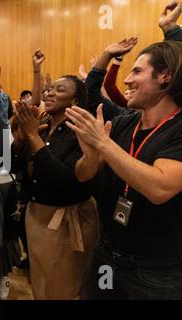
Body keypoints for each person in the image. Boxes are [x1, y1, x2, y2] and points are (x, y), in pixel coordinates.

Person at [66, 40, 182, 299]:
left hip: (155, 272)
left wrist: (102, 144)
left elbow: (159, 188)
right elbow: (83, 174)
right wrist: (90, 155)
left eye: (137, 71)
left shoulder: (178, 128)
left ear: (166, 76)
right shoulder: (122, 123)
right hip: (106, 255)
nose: (127, 81)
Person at [12, 50, 99, 299]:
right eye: (50, 89)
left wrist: (32, 137)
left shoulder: (80, 131)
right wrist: (20, 139)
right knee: (41, 285)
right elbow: (12, 164)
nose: (50, 93)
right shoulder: (42, 126)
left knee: (64, 288)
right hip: (37, 217)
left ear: (74, 102)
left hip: (66, 222)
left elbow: (65, 180)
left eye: (59, 90)